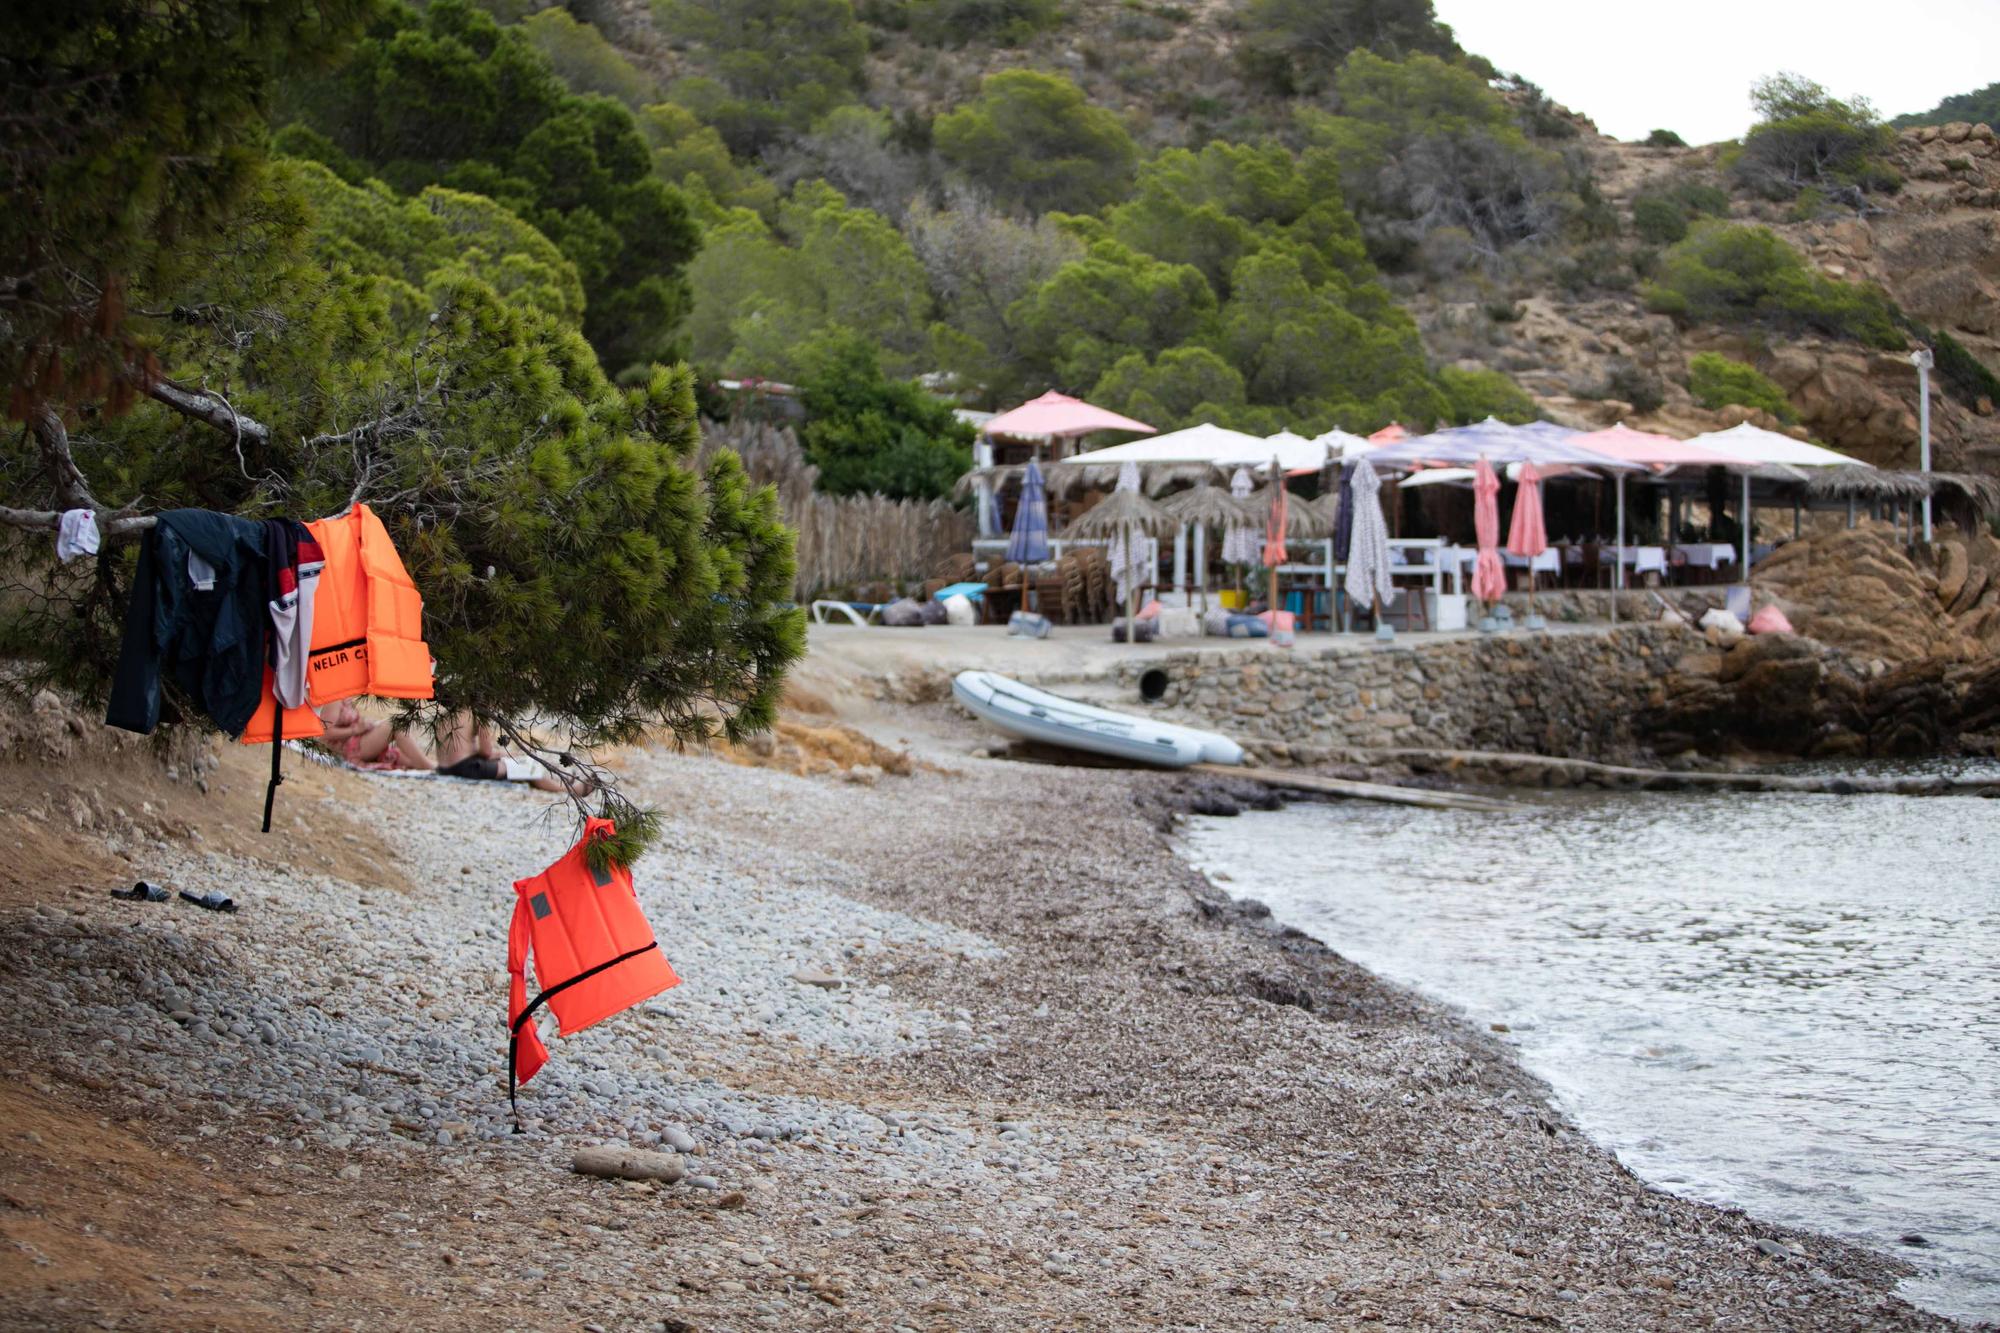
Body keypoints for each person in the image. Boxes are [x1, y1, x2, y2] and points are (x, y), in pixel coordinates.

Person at [433, 711, 594, 796]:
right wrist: (498, 754)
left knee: (514, 760)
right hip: (468, 768)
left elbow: (460, 749)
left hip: (445, 767)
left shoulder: (448, 714)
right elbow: (486, 752)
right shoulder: (477, 711)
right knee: (526, 767)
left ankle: (563, 780)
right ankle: (570, 791)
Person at [315, 699, 434, 772]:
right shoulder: (334, 700)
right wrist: (355, 729)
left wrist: (365, 726)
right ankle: (428, 767)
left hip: (358, 740)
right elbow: (324, 734)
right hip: (351, 748)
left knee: (410, 760)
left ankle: (431, 766)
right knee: (395, 724)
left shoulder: (344, 696)